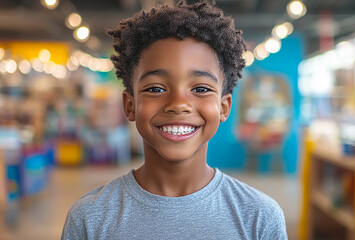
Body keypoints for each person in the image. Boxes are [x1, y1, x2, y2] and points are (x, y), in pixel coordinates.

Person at [61, 1, 288, 239]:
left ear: (223, 107)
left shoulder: (260, 218)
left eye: (200, 89)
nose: (179, 104)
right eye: (156, 89)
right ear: (130, 106)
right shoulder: (89, 218)